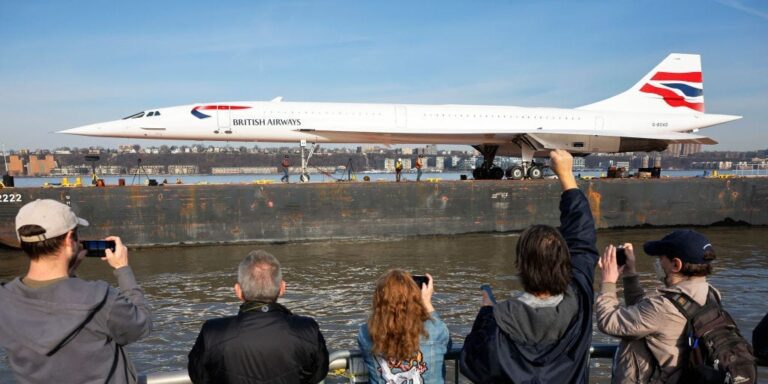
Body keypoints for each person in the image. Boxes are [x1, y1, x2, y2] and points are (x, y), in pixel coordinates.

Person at [460, 149, 599, 383]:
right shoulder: (580, 299)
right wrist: (566, 177)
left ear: (519, 266)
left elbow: (472, 366)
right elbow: (582, 240)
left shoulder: (497, 321)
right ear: (565, 263)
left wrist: (485, 315)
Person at [0, 199, 152, 383]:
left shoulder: (5, 300)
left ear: (22, 241)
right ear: (68, 238)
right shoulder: (100, 299)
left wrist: (68, 272)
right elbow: (141, 325)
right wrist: (122, 269)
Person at [595, 230, 718, 382]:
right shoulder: (710, 293)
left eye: (660, 258)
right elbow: (643, 316)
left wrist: (608, 281)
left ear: (675, 264)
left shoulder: (663, 307)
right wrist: (630, 274)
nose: (658, 263)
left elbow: (608, 321)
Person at [188, 250, 329, 383]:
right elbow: (318, 373)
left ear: (238, 291)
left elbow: (198, 376)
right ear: (282, 288)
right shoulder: (307, 328)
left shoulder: (212, 332)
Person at [358, 270, 451, 384]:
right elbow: (447, 347)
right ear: (415, 298)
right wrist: (427, 303)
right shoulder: (436, 330)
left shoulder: (365, 333)